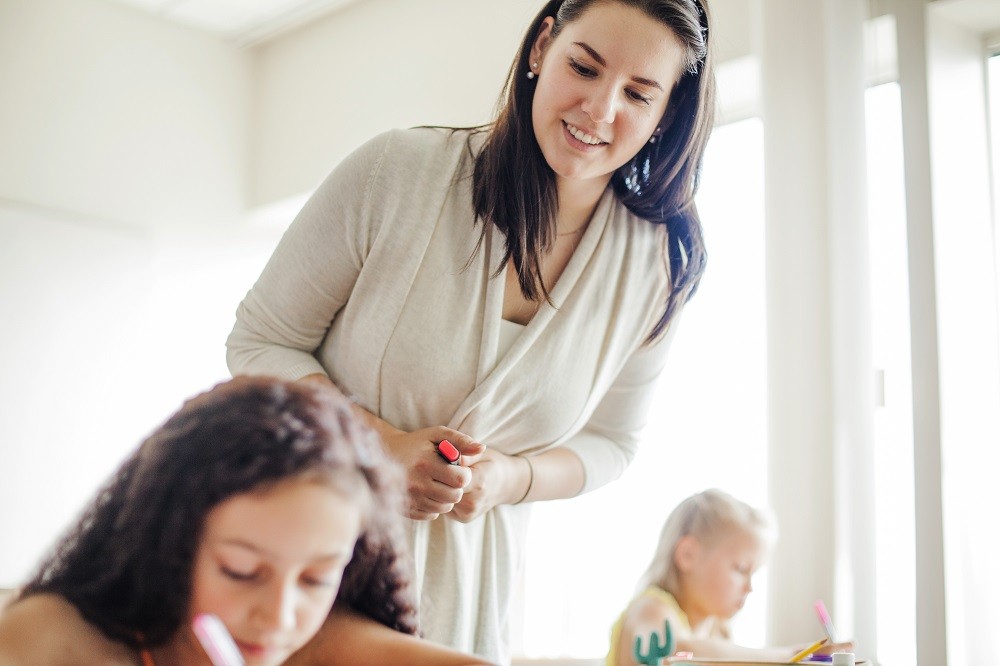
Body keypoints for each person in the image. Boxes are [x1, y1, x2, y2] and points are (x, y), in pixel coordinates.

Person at [226, 0, 716, 660]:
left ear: (667, 114)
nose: (600, 111)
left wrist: (511, 479)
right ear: (542, 47)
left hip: (473, 608)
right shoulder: (398, 173)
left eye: (637, 93)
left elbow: (613, 443)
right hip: (314, 575)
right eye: (584, 67)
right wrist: (378, 445)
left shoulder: (652, 266)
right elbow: (259, 341)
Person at [0, 377, 489, 666]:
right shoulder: (50, 641)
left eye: (318, 578)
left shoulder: (319, 641)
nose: (278, 615)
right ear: (168, 543)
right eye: (240, 570)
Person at [606, 489, 855, 665]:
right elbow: (675, 650)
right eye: (741, 569)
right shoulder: (652, 608)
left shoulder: (717, 631)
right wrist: (788, 656)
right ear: (688, 555)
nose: (749, 587)